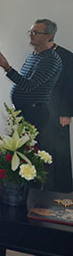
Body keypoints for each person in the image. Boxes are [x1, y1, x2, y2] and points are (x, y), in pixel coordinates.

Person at [0, 19, 62, 132]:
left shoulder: (50, 59)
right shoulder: (33, 56)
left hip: (34, 113)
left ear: (48, 36)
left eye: (35, 32)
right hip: (24, 111)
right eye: (30, 32)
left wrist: (7, 67)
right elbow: (23, 81)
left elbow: (29, 85)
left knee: (30, 143)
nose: (31, 35)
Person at [44, 41, 73, 192]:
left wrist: (66, 112)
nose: (32, 36)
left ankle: (61, 189)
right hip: (40, 112)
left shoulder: (66, 56)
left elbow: (70, 84)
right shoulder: (36, 55)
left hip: (58, 112)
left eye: (35, 32)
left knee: (59, 150)